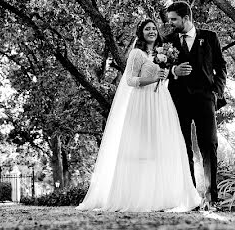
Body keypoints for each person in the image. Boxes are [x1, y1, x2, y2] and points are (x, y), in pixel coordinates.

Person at [78, 18, 202, 212]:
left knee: (161, 146)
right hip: (142, 102)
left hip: (161, 101)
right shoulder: (137, 53)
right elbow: (129, 80)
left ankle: (161, 196)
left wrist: (168, 73)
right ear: (141, 33)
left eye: (154, 28)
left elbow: (167, 75)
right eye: (147, 29)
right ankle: (137, 196)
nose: (151, 31)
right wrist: (153, 78)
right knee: (141, 149)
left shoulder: (164, 51)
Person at [165, 1, 227, 208]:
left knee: (209, 144)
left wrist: (216, 91)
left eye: (174, 19)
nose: (171, 23)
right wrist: (174, 71)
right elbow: (161, 68)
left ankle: (211, 198)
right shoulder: (168, 41)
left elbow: (221, 65)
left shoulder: (209, 37)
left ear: (186, 18)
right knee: (183, 148)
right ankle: (190, 198)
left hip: (205, 98)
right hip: (178, 99)